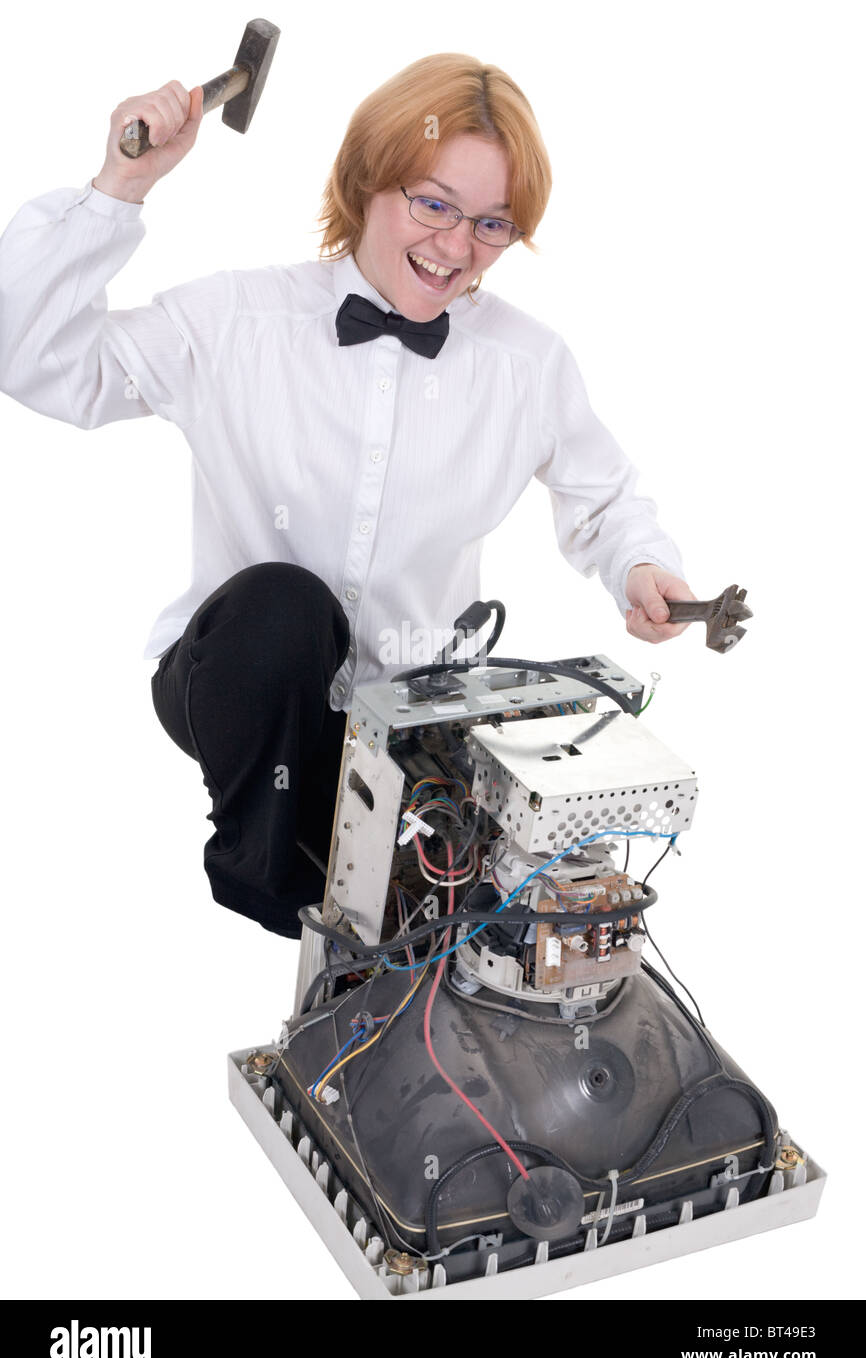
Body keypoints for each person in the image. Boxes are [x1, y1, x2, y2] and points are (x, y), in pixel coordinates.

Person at [0, 53, 695, 940]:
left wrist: (644, 566)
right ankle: (285, 887)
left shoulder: (528, 366)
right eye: (433, 203)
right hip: (244, 686)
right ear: (369, 178)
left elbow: (605, 497)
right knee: (283, 606)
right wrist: (120, 185)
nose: (454, 247)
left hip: (408, 721)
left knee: (504, 850)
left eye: (490, 224)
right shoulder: (236, 322)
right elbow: (29, 356)